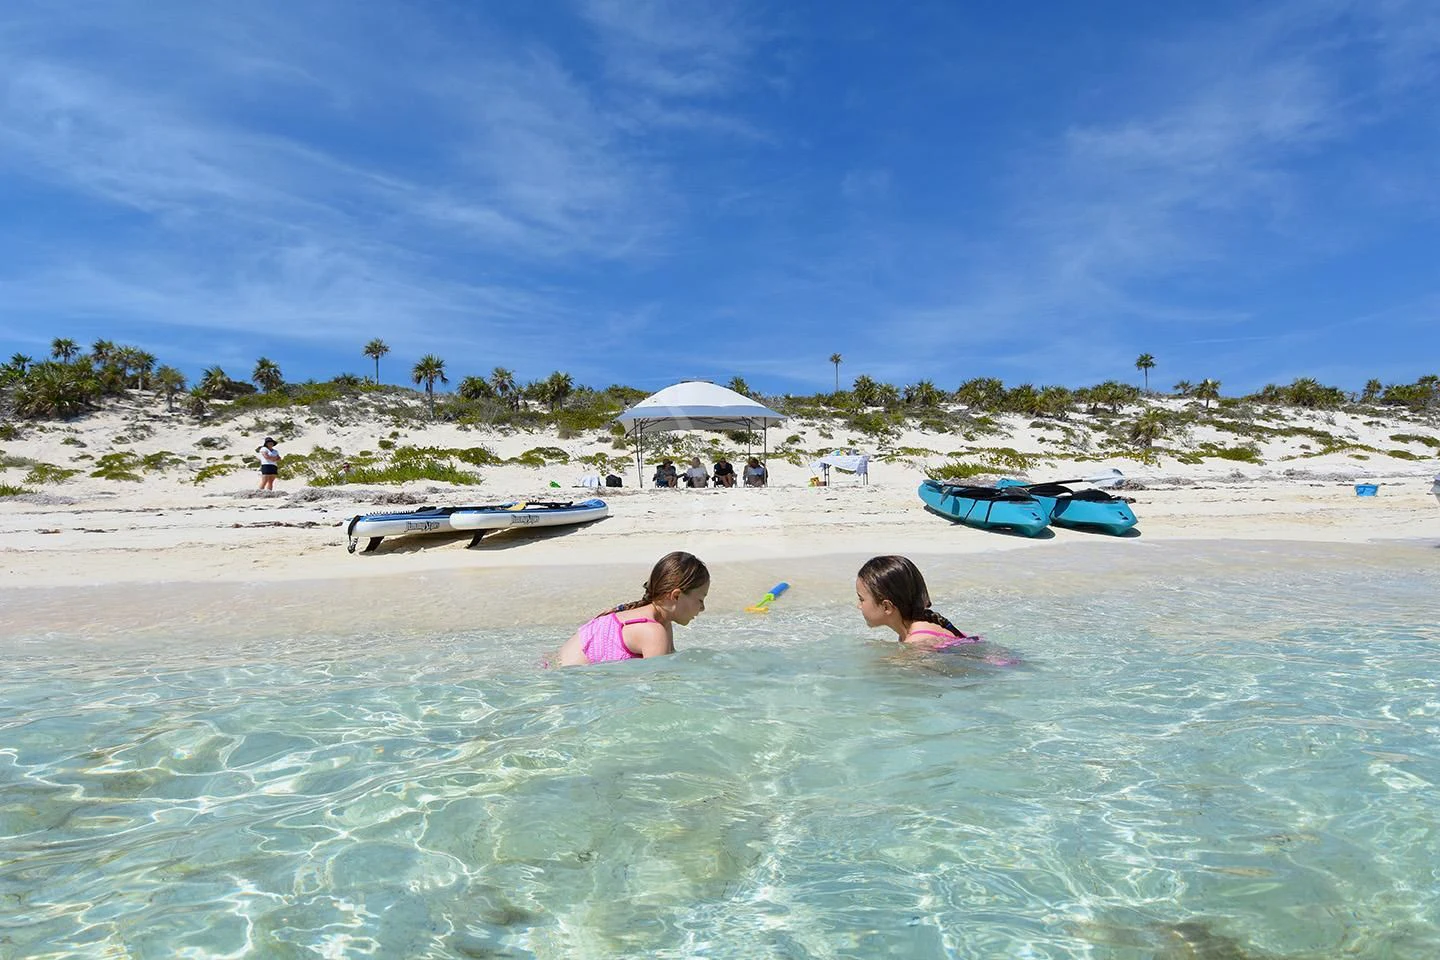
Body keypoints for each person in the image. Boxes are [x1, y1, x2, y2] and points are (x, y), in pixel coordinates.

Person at [554, 552, 710, 665]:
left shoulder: (660, 622)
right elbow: (659, 690)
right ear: (676, 596)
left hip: (552, 669)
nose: (702, 608)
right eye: (700, 600)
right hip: (564, 684)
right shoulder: (653, 632)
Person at [855, 555, 978, 650]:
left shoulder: (918, 643)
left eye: (861, 599)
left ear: (887, 606)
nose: (858, 606)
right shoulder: (913, 631)